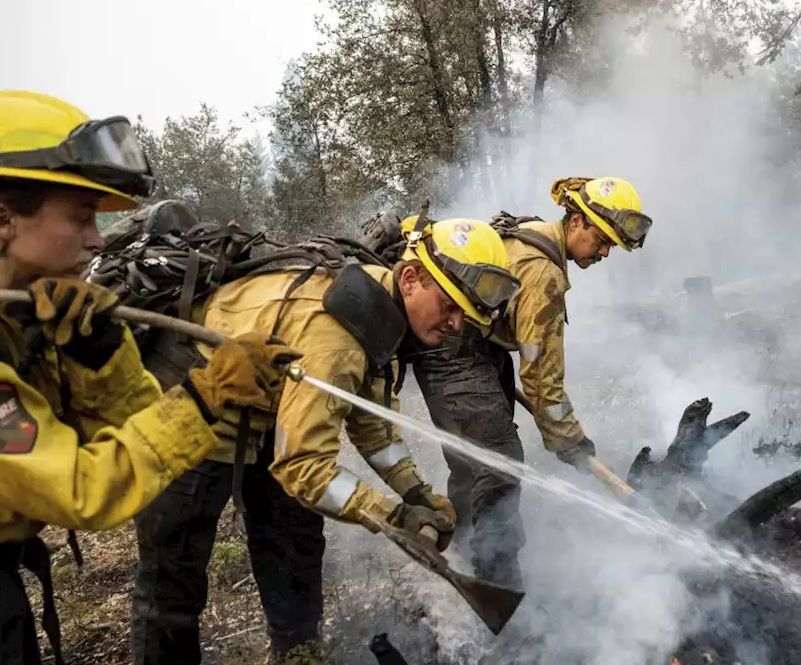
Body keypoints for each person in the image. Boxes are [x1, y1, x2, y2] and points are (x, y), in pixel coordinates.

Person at [0, 90, 300, 665]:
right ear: (1, 221)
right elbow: (82, 488)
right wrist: (205, 398)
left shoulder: (12, 315)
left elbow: (135, 421)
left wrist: (99, 352)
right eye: (81, 217)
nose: (98, 239)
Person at [130, 215, 522, 664]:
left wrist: (418, 493)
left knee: (294, 551)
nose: (455, 325)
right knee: (173, 582)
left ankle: (299, 656)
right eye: (450, 307)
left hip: (268, 414)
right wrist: (393, 516)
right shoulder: (335, 339)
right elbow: (302, 466)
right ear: (411, 278)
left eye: (466, 317)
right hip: (193, 409)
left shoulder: (381, 308)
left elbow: (372, 423)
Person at [401, 176, 652, 590]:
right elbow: (540, 376)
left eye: (613, 246)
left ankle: (461, 546)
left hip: (470, 345)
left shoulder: (530, 232)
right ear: (575, 221)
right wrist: (569, 440)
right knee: (500, 459)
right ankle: (497, 579)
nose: (606, 252)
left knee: (472, 456)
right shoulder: (545, 276)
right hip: (457, 348)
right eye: (602, 240)